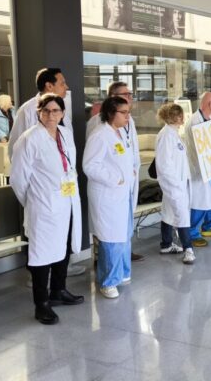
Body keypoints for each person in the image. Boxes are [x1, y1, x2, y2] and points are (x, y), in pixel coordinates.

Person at [10, 94, 85, 325]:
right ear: (39, 112)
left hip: (66, 202)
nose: (51, 115)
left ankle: (58, 291)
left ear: (62, 114)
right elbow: (18, 179)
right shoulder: (29, 139)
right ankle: (41, 304)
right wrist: (33, 201)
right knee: (41, 256)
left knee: (63, 247)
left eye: (55, 111)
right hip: (42, 205)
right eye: (46, 110)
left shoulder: (65, 133)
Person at [86, 81, 145, 262]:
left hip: (125, 183)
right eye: (124, 94)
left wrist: (130, 171)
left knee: (122, 225)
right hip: (109, 187)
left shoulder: (128, 120)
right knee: (107, 231)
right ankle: (102, 257)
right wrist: (116, 178)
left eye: (130, 94)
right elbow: (94, 159)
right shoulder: (98, 124)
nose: (129, 97)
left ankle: (123, 253)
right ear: (112, 98)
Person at [83, 96, 135, 299]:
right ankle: (108, 282)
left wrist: (128, 174)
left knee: (123, 236)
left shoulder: (119, 132)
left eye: (128, 112)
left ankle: (120, 273)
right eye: (124, 112)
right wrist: (116, 178)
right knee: (111, 238)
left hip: (122, 194)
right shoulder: (100, 135)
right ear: (111, 113)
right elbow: (90, 166)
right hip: (108, 195)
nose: (128, 116)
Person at [183, 91, 211, 249]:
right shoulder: (195, 121)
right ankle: (192, 233)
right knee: (200, 202)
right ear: (209, 104)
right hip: (199, 170)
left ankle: (208, 227)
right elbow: (200, 148)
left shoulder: (209, 119)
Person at [154, 103, 195, 264]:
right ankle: (188, 249)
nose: (182, 118)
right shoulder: (166, 135)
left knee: (169, 212)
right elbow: (164, 165)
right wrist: (176, 183)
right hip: (173, 183)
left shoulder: (174, 133)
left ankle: (166, 244)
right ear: (172, 117)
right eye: (179, 115)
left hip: (179, 181)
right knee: (182, 215)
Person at [9, 68, 72, 160]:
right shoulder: (27, 110)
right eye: (62, 84)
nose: (66, 87)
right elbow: (16, 147)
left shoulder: (62, 107)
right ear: (49, 86)